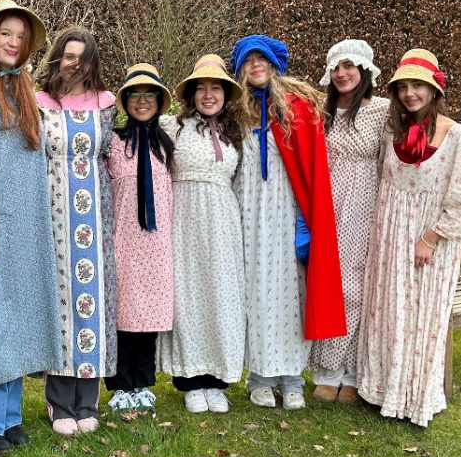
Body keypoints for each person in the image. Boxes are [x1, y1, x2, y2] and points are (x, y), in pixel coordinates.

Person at [357, 49, 461, 427]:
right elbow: (383, 182)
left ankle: (414, 395)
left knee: (422, 315)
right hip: (390, 235)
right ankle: (381, 390)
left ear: (433, 89)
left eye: (418, 86)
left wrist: (430, 238)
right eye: (404, 87)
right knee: (388, 312)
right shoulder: (390, 132)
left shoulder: (457, 137)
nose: (410, 93)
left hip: (429, 241)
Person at [0, 0, 63, 453]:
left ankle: (10, 414)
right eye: (6, 33)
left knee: (22, 314)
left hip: (29, 222)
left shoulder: (24, 90)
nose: (13, 43)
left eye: (21, 37)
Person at [230, 35, 346, 411]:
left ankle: (293, 377)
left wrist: (306, 221)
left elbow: (311, 169)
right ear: (241, 68)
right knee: (254, 293)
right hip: (247, 212)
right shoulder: (234, 108)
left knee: (290, 293)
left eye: (262, 59)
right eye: (249, 60)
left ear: (275, 63)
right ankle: (260, 376)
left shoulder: (299, 107)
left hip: (285, 212)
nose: (256, 65)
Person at [36, 27, 118, 435]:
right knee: (62, 306)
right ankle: (59, 402)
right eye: (68, 56)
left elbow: (110, 157)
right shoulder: (39, 103)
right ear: (57, 57)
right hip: (53, 215)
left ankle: (87, 402)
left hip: (94, 218)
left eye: (83, 57)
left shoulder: (107, 104)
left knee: (93, 303)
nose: (75, 64)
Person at [157, 55, 247, 414]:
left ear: (225, 93)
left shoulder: (235, 134)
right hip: (185, 220)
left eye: (216, 88)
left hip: (223, 222)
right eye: (202, 88)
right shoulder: (172, 127)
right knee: (189, 295)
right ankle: (191, 381)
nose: (209, 95)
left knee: (221, 296)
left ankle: (216, 380)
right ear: (191, 94)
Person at [308, 39, 390, 403]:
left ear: (364, 70)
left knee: (357, 290)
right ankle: (326, 370)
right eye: (336, 67)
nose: (342, 74)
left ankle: (354, 373)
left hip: (363, 208)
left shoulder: (383, 111)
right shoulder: (319, 112)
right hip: (326, 207)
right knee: (328, 287)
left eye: (349, 66)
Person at [104, 63, 175, 416]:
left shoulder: (168, 143)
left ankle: (144, 384)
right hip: (124, 240)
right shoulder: (114, 142)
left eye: (149, 95)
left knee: (148, 319)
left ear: (159, 101)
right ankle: (119, 386)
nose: (142, 102)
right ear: (126, 101)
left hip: (158, 245)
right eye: (135, 95)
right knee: (122, 316)